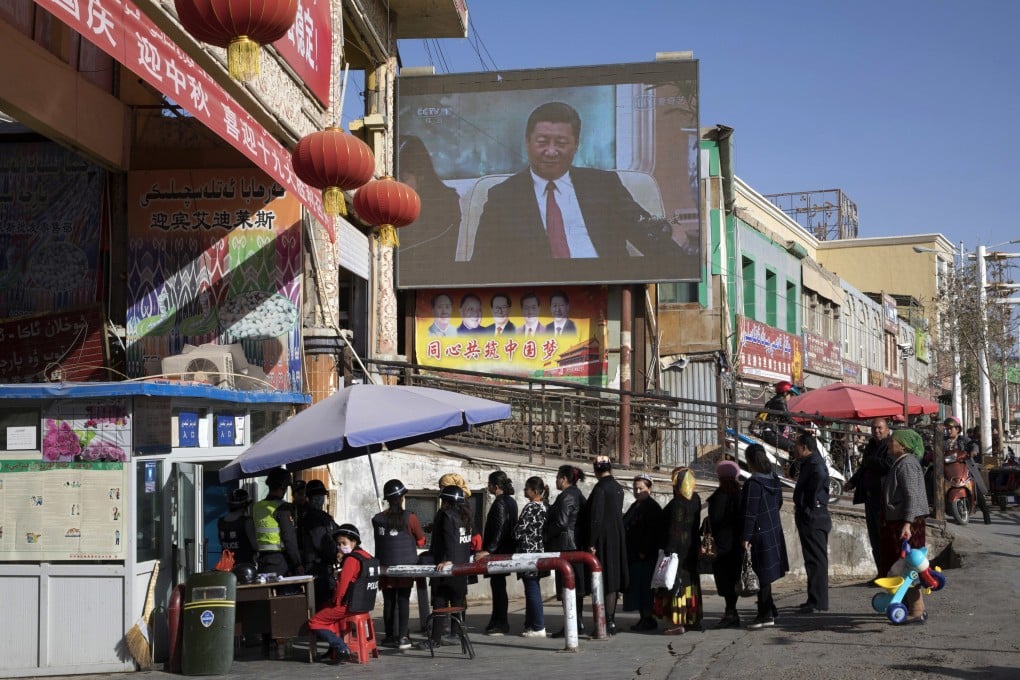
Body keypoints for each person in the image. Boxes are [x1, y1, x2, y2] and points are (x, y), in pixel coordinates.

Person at [471, 101, 687, 267]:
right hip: (537, 300)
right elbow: (481, 264)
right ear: (527, 142)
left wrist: (688, 268)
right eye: (543, 142)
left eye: (561, 143)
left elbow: (650, 237)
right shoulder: (502, 196)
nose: (551, 151)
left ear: (576, 145)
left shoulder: (604, 185)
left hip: (603, 292)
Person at [880, 429, 931, 623]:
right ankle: (911, 606)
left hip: (907, 523)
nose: (888, 444)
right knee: (902, 566)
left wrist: (907, 523)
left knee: (908, 567)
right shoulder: (901, 463)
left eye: (892, 441)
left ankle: (917, 610)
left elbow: (911, 496)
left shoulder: (907, 465)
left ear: (903, 445)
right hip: (902, 521)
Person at [307, 524, 376, 663]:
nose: (340, 546)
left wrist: (335, 602)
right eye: (338, 544)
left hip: (348, 605)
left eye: (343, 543)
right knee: (328, 609)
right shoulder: (367, 556)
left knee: (314, 621)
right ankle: (332, 650)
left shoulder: (351, 560)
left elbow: (342, 588)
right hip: (364, 604)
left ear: (354, 542)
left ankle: (341, 647)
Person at [371, 479, 426, 650]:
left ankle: (389, 636)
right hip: (405, 567)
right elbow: (422, 541)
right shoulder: (410, 518)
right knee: (403, 600)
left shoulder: (377, 519)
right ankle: (402, 637)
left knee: (388, 601)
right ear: (401, 498)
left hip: (385, 567)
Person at [418, 485, 474, 649]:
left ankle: (435, 639)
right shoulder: (467, 516)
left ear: (446, 501)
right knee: (458, 601)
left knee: (440, 603)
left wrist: (447, 559)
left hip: (445, 566)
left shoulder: (446, 515)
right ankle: (456, 635)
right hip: (462, 567)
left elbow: (449, 537)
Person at [741, 444, 790, 630]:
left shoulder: (754, 484)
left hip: (758, 534)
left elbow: (749, 513)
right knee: (765, 575)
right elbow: (778, 502)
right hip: (772, 529)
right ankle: (770, 609)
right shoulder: (774, 479)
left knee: (760, 575)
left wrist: (745, 537)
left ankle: (765, 615)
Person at [396, 135, 462, 264]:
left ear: (421, 175)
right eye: (393, 179)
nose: (397, 185)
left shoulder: (446, 203)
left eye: (403, 179)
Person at [582, 455, 628, 635]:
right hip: (617, 537)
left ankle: (604, 622)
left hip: (603, 539)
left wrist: (591, 542)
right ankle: (611, 620)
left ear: (595, 470)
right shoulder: (618, 488)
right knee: (613, 580)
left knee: (603, 581)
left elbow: (596, 517)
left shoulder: (600, 488)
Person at [655, 466, 702, 635]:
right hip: (692, 548)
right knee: (691, 583)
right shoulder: (696, 499)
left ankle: (677, 622)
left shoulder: (677, 503)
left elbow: (675, 529)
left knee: (676, 584)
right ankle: (693, 618)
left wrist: (669, 550)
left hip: (678, 552)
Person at [842, 418, 893, 573]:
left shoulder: (891, 445)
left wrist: (871, 461)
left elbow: (889, 464)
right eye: (873, 428)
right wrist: (852, 482)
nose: (876, 431)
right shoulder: (871, 445)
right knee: (875, 538)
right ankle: (881, 572)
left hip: (884, 498)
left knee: (885, 538)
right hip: (870, 498)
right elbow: (864, 468)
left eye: (879, 428)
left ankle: (890, 573)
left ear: (886, 429)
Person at [545, 465, 588, 638]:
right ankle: (576, 623)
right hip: (575, 545)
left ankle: (572, 624)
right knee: (574, 587)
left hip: (566, 545)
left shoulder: (567, 496)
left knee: (567, 586)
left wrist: (547, 535)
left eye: (557, 477)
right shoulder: (576, 494)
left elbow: (561, 522)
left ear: (563, 478)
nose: (556, 480)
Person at [476, 470, 519, 636]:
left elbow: (500, 529)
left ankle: (500, 622)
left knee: (498, 587)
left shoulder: (500, 503)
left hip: (499, 551)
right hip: (505, 549)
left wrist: (489, 550)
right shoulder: (510, 501)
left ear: (496, 486)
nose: (488, 487)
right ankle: (496, 620)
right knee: (499, 586)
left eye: (489, 484)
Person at [792, 432, 831, 613]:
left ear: (804, 447)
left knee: (817, 561)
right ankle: (814, 598)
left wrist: (811, 502)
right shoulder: (809, 462)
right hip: (811, 516)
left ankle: (818, 602)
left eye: (797, 446)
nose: (794, 449)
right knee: (812, 560)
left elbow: (821, 477)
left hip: (814, 517)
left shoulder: (815, 463)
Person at [705, 460, 743, 629]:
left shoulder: (720, 495)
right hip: (737, 545)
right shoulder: (739, 493)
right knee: (734, 579)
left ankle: (730, 613)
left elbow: (716, 519)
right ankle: (731, 611)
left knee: (725, 581)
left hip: (722, 545)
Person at [622, 473, 662, 632]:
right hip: (634, 555)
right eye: (635, 488)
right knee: (638, 587)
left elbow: (653, 532)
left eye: (641, 488)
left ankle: (648, 617)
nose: (638, 491)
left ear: (650, 489)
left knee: (645, 588)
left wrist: (644, 551)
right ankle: (643, 617)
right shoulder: (635, 505)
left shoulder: (652, 507)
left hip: (645, 556)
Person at [515, 476, 549, 638]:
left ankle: (537, 626)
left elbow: (519, 530)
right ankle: (531, 624)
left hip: (528, 553)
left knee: (531, 588)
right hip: (540, 552)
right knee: (532, 587)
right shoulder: (544, 507)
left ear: (535, 491)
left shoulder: (530, 508)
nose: (524, 490)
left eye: (527, 488)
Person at [254, 467, 303, 578]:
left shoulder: (257, 507)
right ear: (283, 486)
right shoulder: (283, 508)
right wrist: (298, 563)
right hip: (280, 562)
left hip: (262, 561)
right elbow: (289, 538)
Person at [299, 479, 339, 609]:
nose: (319, 500)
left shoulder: (324, 516)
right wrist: (336, 554)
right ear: (309, 498)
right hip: (316, 568)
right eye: (315, 497)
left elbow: (338, 532)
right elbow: (321, 543)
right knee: (322, 605)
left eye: (321, 496)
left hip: (324, 567)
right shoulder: (311, 517)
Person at [944, 416, 991, 524]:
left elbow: (973, 444)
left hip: (964, 467)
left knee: (976, 486)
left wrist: (974, 451)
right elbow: (935, 450)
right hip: (947, 469)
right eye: (947, 428)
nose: (949, 430)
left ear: (957, 429)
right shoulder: (943, 441)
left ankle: (986, 513)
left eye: (951, 428)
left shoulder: (963, 439)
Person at [751, 380, 801, 456]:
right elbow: (788, 419)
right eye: (790, 395)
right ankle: (794, 468)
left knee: (794, 443)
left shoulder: (773, 401)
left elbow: (783, 419)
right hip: (770, 433)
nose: (790, 397)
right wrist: (803, 430)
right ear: (785, 393)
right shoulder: (780, 402)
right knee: (795, 448)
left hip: (770, 431)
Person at [218, 487, 258, 568]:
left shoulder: (221, 521)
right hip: (244, 568)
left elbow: (221, 542)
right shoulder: (247, 522)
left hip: (226, 567)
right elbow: (255, 546)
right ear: (245, 505)